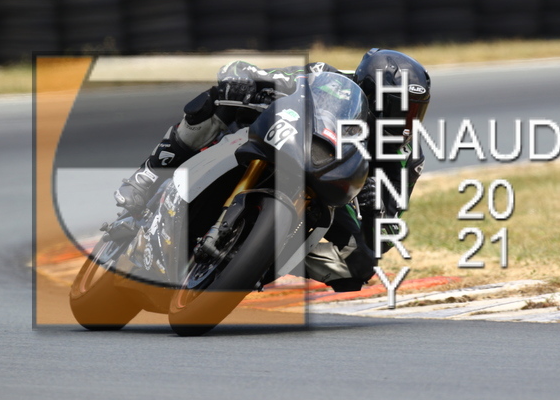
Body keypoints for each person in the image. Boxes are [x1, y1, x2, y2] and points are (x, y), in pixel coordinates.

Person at [114, 48, 431, 292]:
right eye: (400, 108)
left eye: (416, 111)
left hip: (331, 189)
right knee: (215, 101)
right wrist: (247, 79)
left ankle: (261, 258)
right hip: (280, 137)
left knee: (359, 269)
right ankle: (147, 177)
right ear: (373, 93)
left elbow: (387, 230)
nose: (407, 121)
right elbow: (273, 76)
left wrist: (375, 208)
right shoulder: (327, 77)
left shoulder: (407, 154)